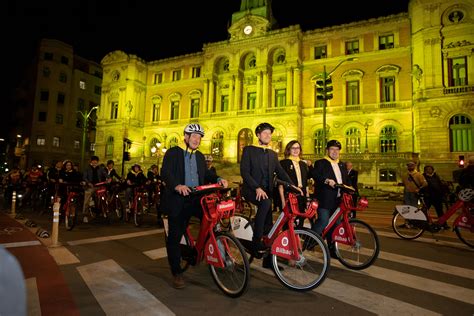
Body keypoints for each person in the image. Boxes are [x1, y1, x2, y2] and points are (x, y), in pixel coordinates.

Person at [161, 123, 228, 289]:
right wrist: (177, 185)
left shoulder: (199, 156)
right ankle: (176, 272)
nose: (197, 140)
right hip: (179, 199)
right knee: (174, 237)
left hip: (196, 198)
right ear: (186, 137)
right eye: (194, 136)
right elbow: (166, 173)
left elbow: (206, 174)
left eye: (199, 137)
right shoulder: (174, 152)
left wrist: (218, 179)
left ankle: (211, 252)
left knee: (213, 221)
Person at [240, 122, 298, 268]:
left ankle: (268, 261)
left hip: (267, 192)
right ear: (258, 135)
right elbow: (245, 172)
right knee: (265, 203)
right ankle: (256, 241)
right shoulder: (249, 150)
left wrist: (293, 186)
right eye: (265, 133)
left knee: (270, 227)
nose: (268, 135)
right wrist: (257, 187)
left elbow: (281, 172)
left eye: (269, 133)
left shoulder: (272, 154)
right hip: (251, 190)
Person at [310, 140, 351, 258]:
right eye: (332, 149)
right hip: (324, 199)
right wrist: (327, 180)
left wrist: (352, 189)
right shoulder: (321, 163)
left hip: (338, 200)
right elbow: (316, 175)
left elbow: (346, 181)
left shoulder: (342, 165)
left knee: (335, 225)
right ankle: (310, 242)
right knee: (323, 221)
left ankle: (332, 249)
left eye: (337, 150)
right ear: (327, 150)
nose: (335, 152)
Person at [278, 140, 310, 228]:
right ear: (289, 149)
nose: (296, 150)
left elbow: (306, 183)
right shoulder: (283, 163)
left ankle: (296, 239)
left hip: (301, 195)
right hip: (289, 196)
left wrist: (307, 199)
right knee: (288, 221)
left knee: (300, 220)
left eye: (298, 148)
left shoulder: (303, 164)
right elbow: (281, 184)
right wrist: (283, 201)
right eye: (293, 148)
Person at [422, 165, 449, 229]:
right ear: (425, 170)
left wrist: (442, 193)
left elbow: (440, 185)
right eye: (427, 169)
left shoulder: (436, 176)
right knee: (425, 211)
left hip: (437, 196)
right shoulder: (423, 176)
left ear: (432, 169)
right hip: (428, 197)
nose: (429, 170)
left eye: (430, 169)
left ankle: (443, 223)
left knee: (440, 211)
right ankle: (424, 223)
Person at [82, 156, 107, 223]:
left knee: (102, 198)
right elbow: (84, 177)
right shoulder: (87, 168)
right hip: (90, 187)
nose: (95, 162)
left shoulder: (100, 168)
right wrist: (88, 183)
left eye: (96, 160)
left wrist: (109, 178)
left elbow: (105, 174)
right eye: (93, 160)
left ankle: (102, 212)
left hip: (98, 186)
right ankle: (85, 215)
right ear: (91, 161)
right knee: (87, 200)